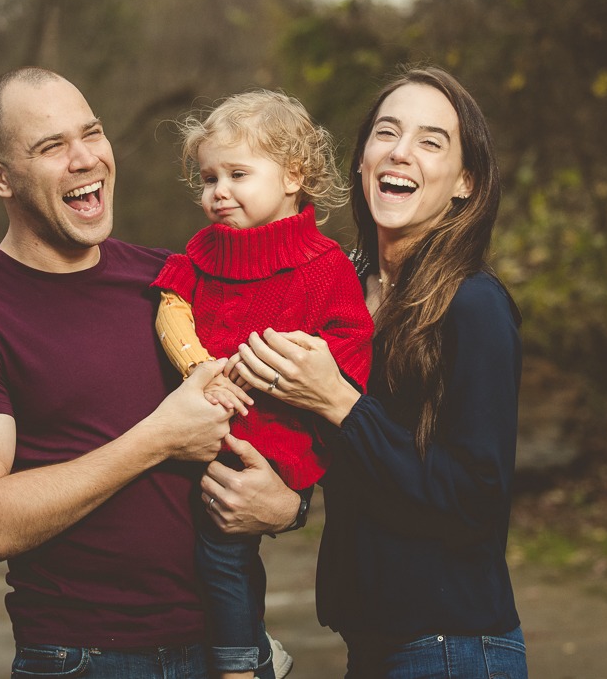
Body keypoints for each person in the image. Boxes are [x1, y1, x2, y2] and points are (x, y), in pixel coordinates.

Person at [0, 67, 297, 679]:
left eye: (91, 133)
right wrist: (157, 438)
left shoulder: (175, 279)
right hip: (83, 658)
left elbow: (278, 423)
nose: (84, 158)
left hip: (230, 649)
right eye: (50, 147)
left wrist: (288, 506)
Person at [225, 66, 529, 678]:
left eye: (430, 140)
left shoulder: (474, 304)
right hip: (372, 644)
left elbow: (476, 504)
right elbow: (364, 474)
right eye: (386, 132)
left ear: (465, 182)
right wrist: (289, 503)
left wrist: (339, 400)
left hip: (454, 646)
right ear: (362, 161)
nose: (400, 151)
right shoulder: (341, 290)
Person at [152, 90, 373, 679]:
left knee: (224, 552)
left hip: (273, 438)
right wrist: (197, 362)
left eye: (237, 174)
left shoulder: (324, 264)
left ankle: (239, 666)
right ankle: (252, 645)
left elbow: (351, 341)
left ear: (293, 176)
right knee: (178, 545)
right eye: (208, 178)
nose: (217, 191)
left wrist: (300, 363)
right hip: (204, 426)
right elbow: (171, 304)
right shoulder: (204, 250)